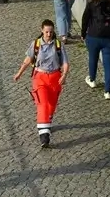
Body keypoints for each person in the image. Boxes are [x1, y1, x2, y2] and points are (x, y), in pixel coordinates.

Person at [13, 19, 69, 148]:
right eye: (46, 31)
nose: (49, 34)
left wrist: (64, 75)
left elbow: (65, 63)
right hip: (40, 77)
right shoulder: (36, 44)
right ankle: (44, 135)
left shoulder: (58, 45)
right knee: (42, 103)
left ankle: (47, 122)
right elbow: (28, 60)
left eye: (51, 31)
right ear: (42, 31)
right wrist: (19, 73)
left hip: (55, 78)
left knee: (51, 105)